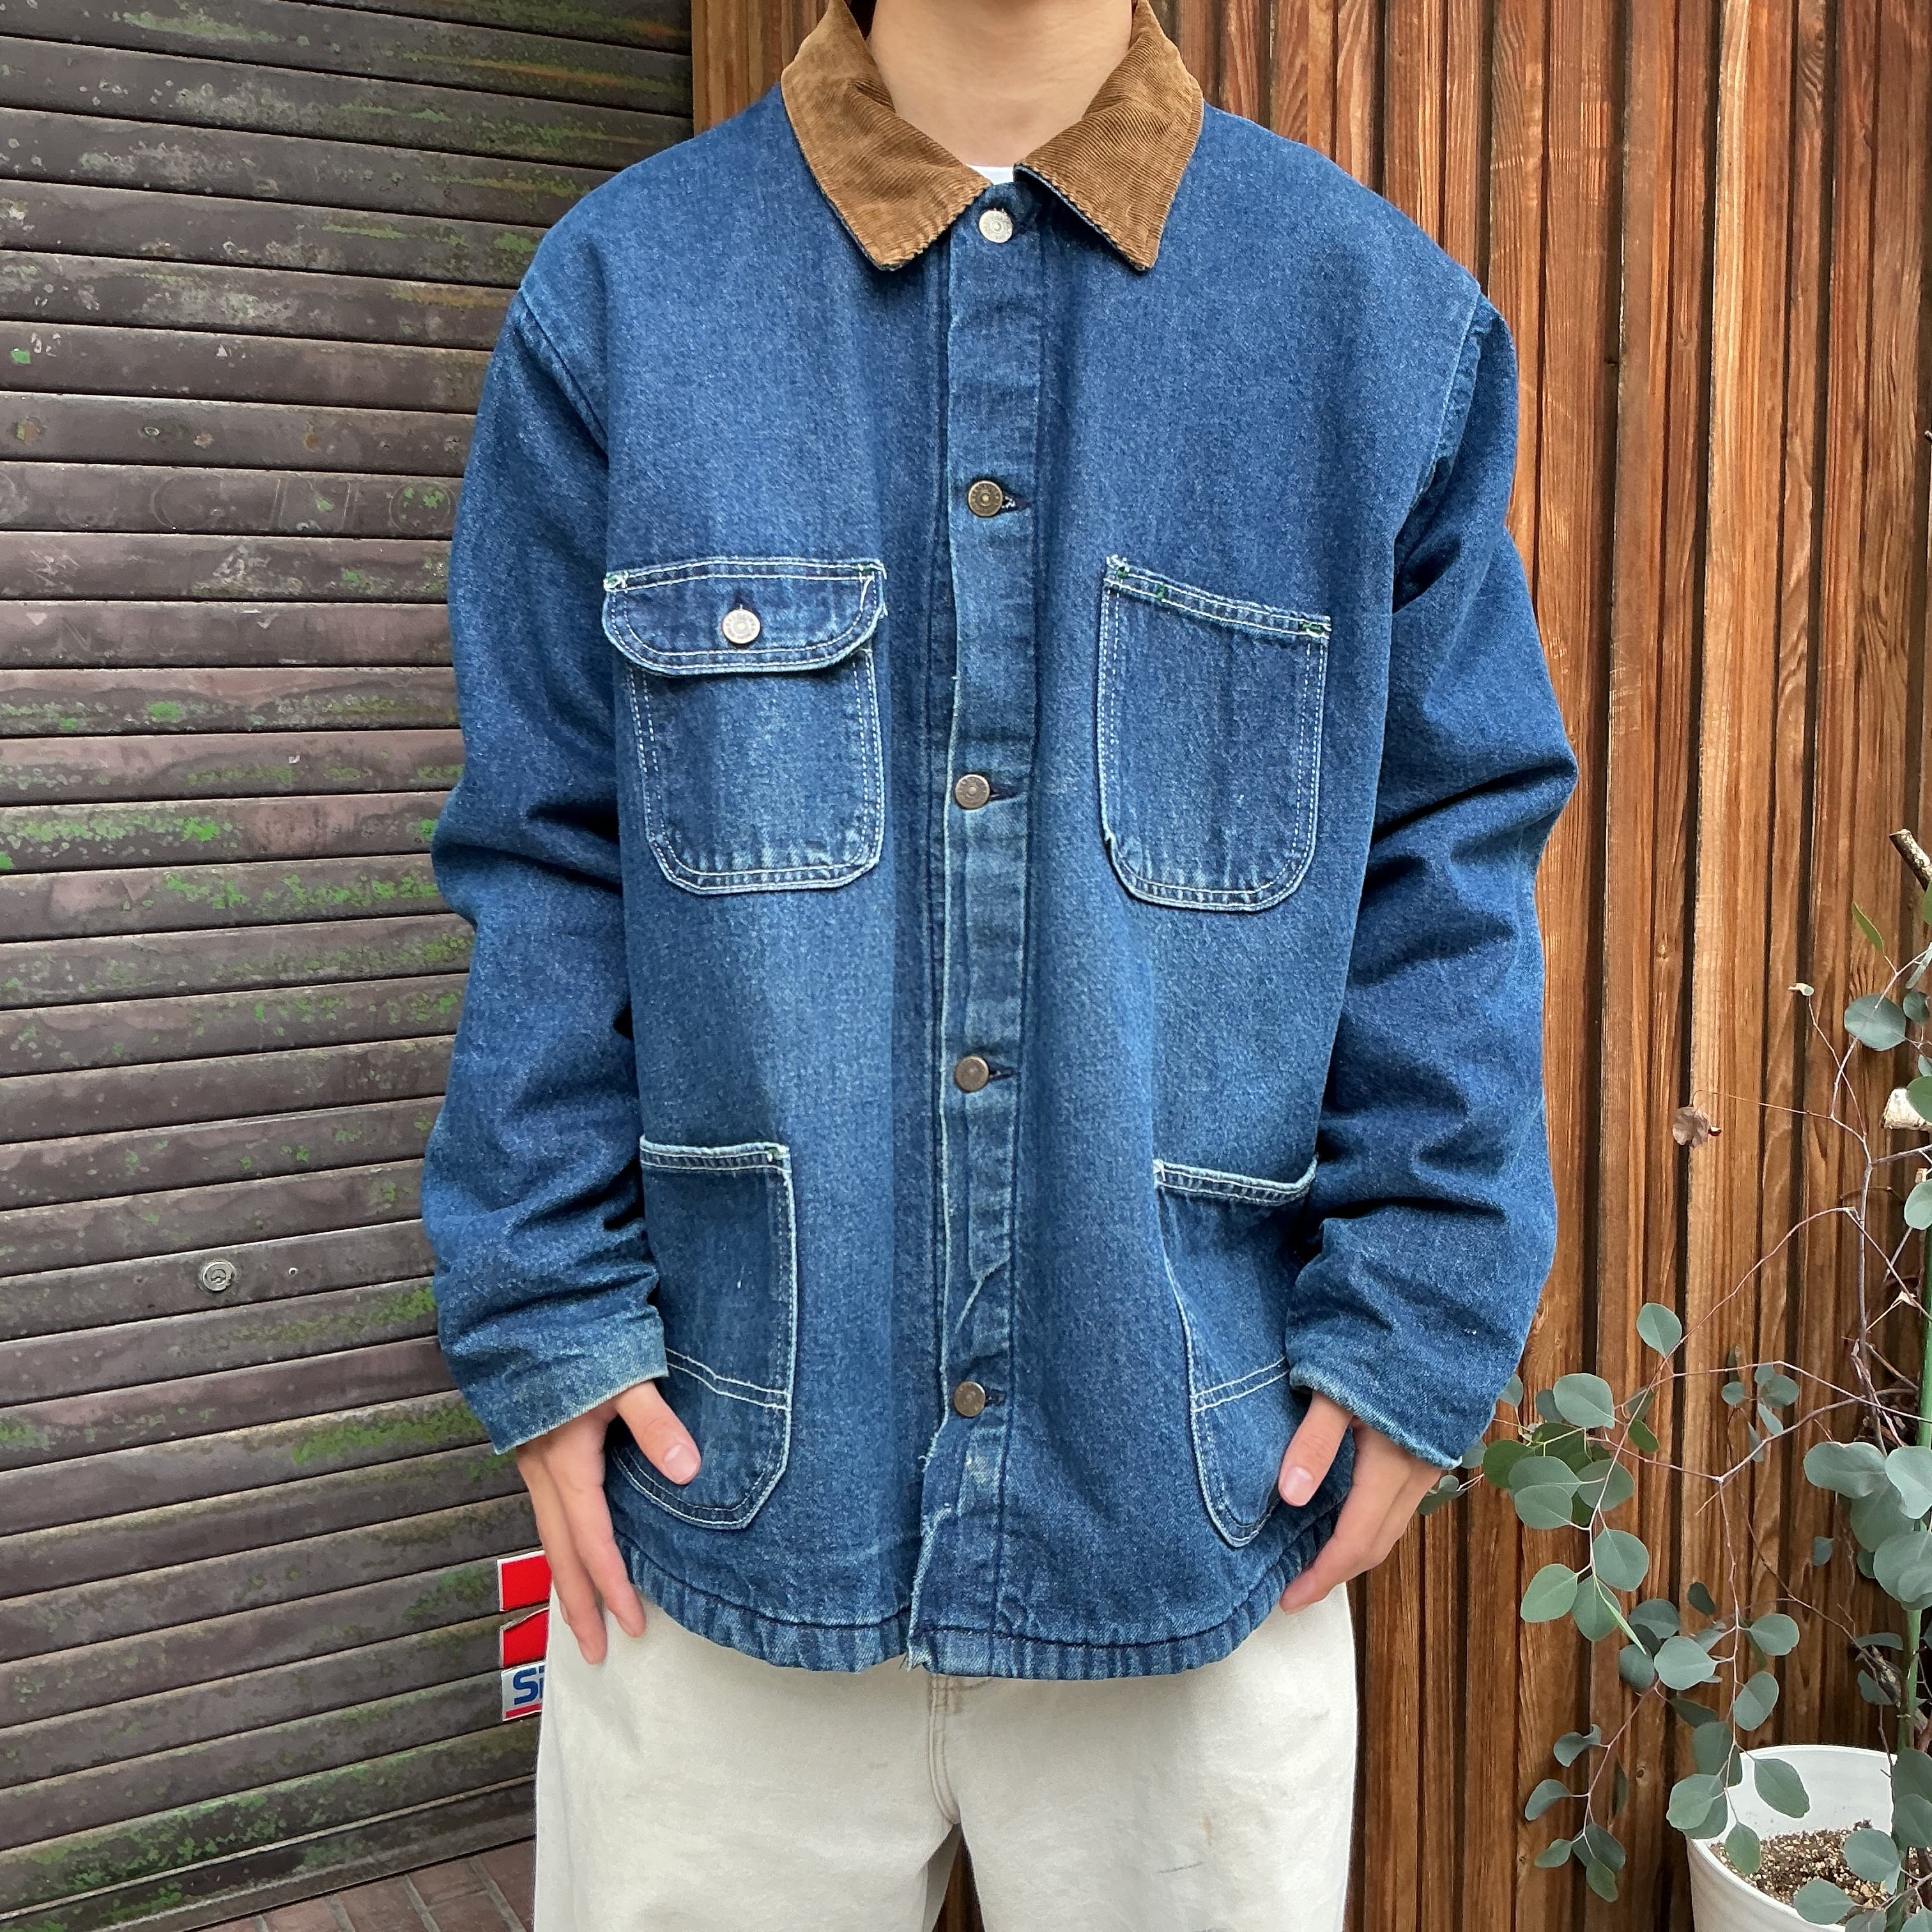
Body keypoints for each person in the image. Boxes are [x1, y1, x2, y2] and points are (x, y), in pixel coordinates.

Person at [420, 0, 1579, 1923]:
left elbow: (1450, 864)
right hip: (721, 1504)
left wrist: (1421, 1327)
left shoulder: (1374, 327)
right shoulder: (623, 301)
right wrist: (546, 1316)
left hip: (1208, 1505)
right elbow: (544, 854)